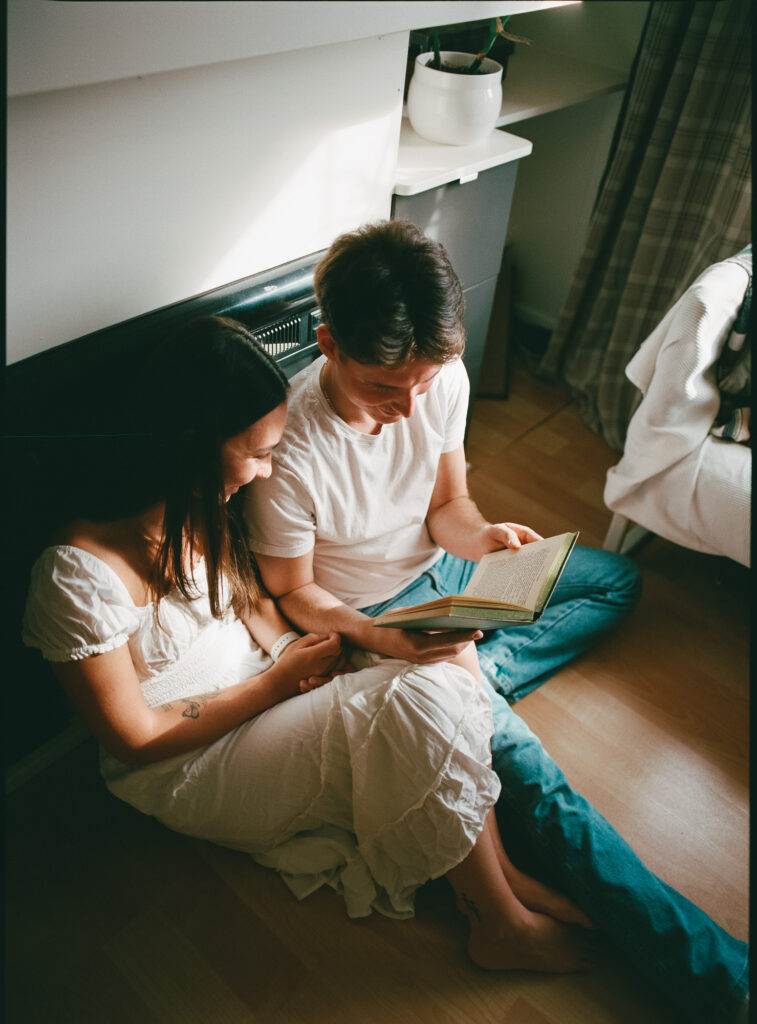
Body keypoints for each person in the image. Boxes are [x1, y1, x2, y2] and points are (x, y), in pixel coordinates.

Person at [244, 221, 748, 1023]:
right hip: (368, 616)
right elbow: (294, 596)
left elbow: (448, 504)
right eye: (383, 389)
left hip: (445, 575)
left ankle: (478, 698)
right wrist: (384, 640)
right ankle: (721, 979)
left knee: (614, 581)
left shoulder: (435, 379)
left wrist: (483, 540)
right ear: (327, 342)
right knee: (543, 787)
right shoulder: (290, 449)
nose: (410, 407)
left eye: (425, 381)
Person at [22, 315, 601, 977]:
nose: (267, 470)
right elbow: (133, 739)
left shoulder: (200, 506)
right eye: (258, 451)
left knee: (448, 658)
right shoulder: (77, 575)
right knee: (416, 704)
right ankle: (496, 923)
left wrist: (317, 656)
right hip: (188, 762)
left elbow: (255, 605)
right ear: (192, 442)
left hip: (262, 686)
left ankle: (497, 875)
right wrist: (273, 685)